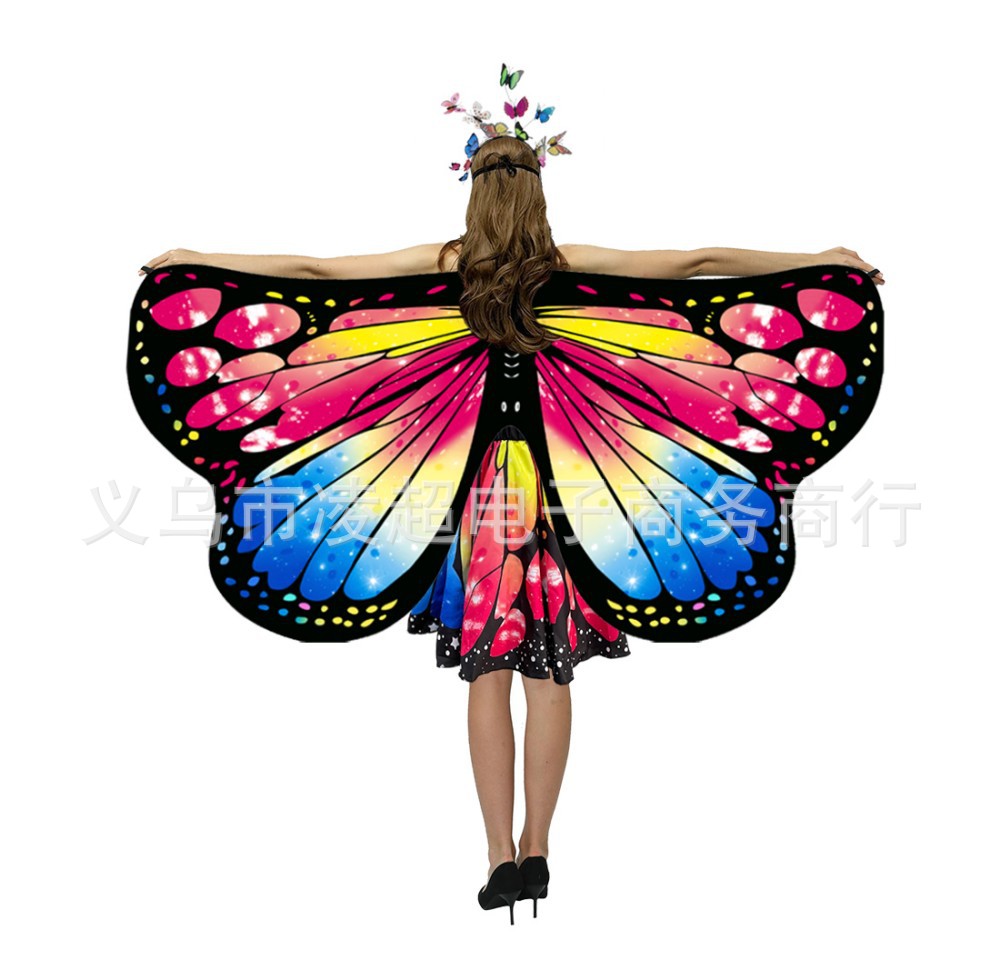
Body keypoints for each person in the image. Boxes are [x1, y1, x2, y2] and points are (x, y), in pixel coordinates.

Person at [140, 134, 884, 923]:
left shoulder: (446, 264)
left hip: (474, 495)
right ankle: (538, 847)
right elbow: (698, 263)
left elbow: (314, 273)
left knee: (488, 671)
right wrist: (821, 259)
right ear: (537, 192)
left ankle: (498, 855)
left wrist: (193, 258)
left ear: (475, 192)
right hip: (571, 491)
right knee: (551, 673)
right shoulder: (568, 264)